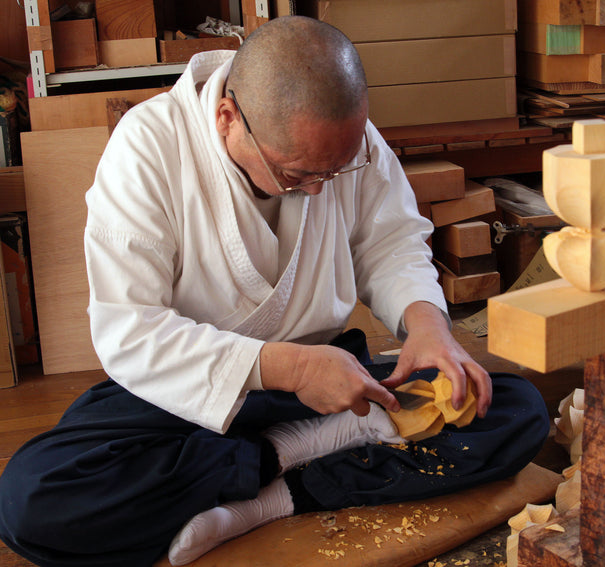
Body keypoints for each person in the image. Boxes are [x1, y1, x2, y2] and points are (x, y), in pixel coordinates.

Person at [0, 16, 549, 567]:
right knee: (31, 500)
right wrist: (292, 370)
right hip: (190, 394)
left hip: (332, 383)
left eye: (334, 173)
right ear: (227, 118)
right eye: (298, 174)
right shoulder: (148, 149)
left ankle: (266, 502)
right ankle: (295, 457)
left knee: (515, 408)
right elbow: (129, 329)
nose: (317, 190)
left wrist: (426, 323)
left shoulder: (342, 139)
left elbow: (391, 241)